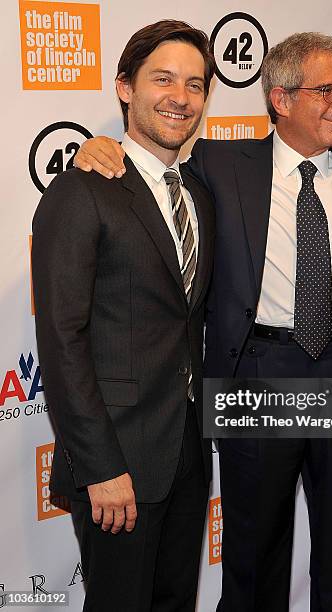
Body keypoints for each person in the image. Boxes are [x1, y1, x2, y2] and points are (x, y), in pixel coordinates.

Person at [74, 31, 332, 612]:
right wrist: (100, 148)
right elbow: (151, 166)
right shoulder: (219, 163)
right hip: (256, 373)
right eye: (325, 90)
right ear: (280, 99)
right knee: (253, 553)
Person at [32, 20, 215, 612]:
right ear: (124, 88)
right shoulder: (82, 189)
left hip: (187, 453)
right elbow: (62, 339)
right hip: (118, 464)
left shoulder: (201, 191)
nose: (180, 96)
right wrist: (100, 467)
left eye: (194, 84)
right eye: (162, 78)